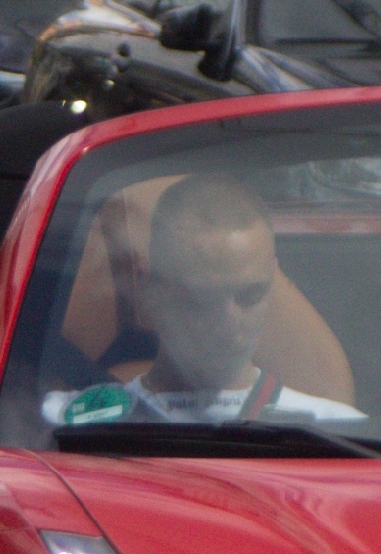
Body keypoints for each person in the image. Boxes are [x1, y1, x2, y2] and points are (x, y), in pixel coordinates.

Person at [49, 177, 362, 425]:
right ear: (149, 289)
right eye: (202, 300)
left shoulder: (336, 435)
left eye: (250, 296)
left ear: (272, 280)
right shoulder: (66, 425)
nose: (229, 324)